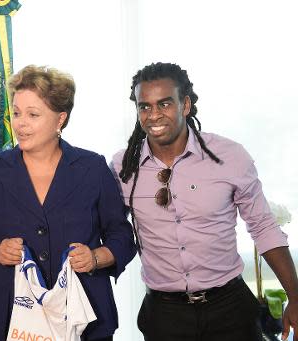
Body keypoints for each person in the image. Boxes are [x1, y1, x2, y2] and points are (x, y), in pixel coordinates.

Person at [110, 62, 298, 341]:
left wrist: (294, 297)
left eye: (164, 104)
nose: (154, 115)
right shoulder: (123, 168)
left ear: (185, 105)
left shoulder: (229, 157)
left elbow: (264, 227)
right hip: (164, 315)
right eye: (144, 106)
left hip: (230, 309)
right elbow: (111, 229)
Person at [0, 65, 137, 341]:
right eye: (17, 113)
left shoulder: (92, 167)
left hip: (85, 318)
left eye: (33, 115)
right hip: (10, 318)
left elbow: (122, 237)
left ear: (60, 119)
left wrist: (94, 258)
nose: (20, 123)